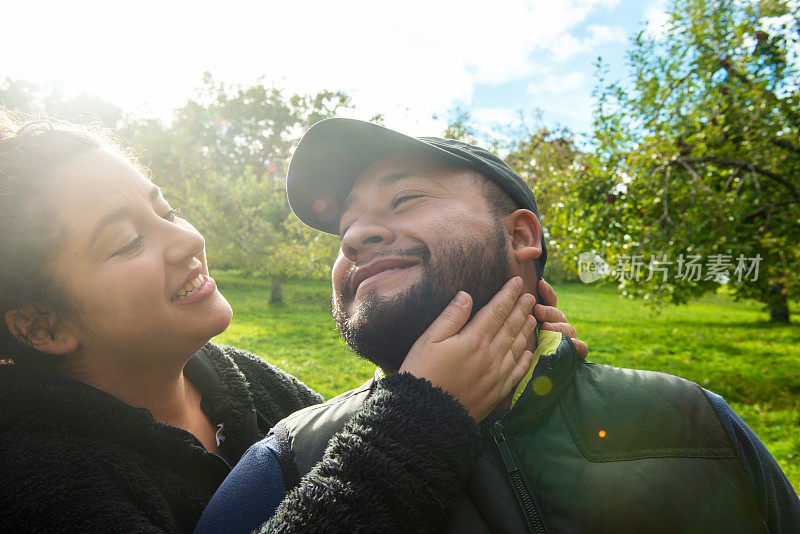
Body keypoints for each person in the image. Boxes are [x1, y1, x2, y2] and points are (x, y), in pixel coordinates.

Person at [202, 118, 799, 533]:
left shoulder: (694, 421)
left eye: (405, 198)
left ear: (520, 236)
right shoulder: (283, 466)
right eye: (345, 230)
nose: (356, 235)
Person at [0, 111, 583, 533]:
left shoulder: (239, 384)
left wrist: (477, 350)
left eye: (166, 210)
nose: (186, 240)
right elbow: (382, 447)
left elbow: (343, 440)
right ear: (42, 327)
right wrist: (420, 416)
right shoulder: (31, 480)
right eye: (128, 242)